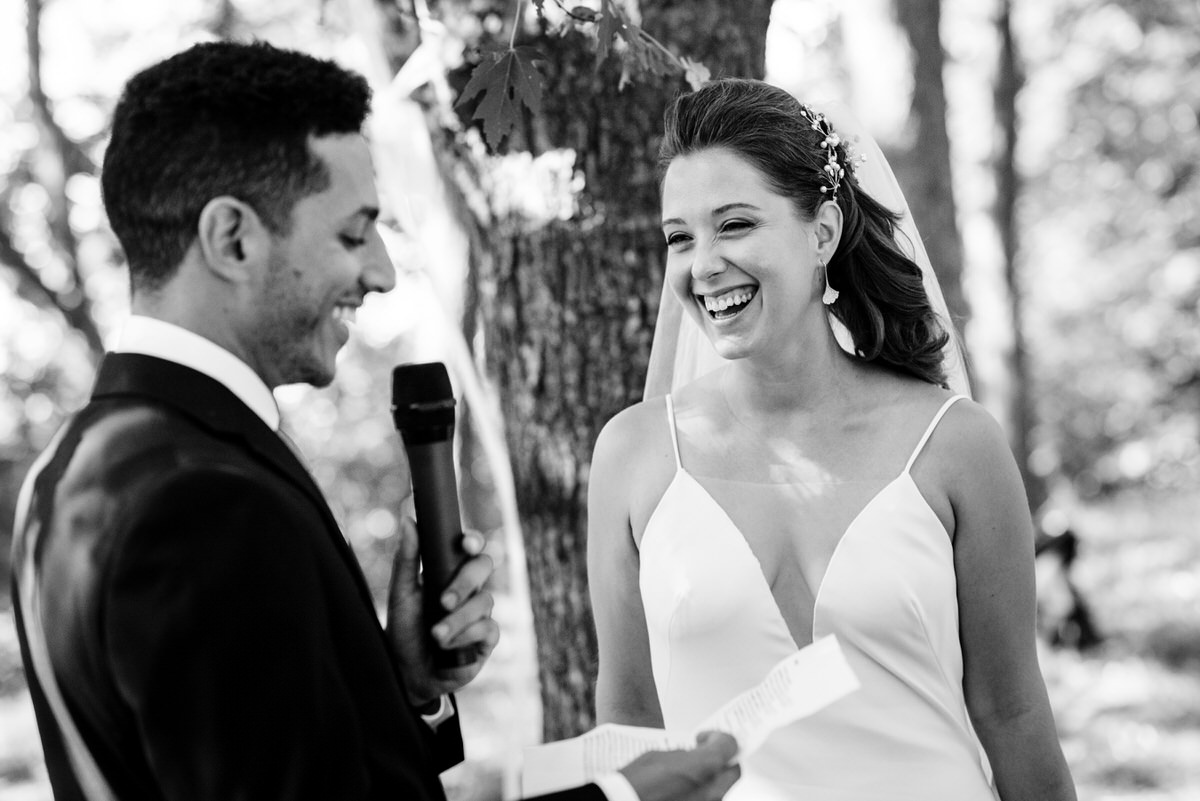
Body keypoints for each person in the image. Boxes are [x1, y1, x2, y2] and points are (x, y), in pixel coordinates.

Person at [10, 41, 739, 801]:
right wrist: (622, 797)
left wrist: (398, 684)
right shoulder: (204, 503)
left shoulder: (68, 472)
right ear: (233, 238)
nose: (383, 273)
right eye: (354, 233)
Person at [588, 78, 1078, 800]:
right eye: (679, 238)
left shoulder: (955, 446)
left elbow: (1012, 712)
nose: (702, 265)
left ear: (822, 231)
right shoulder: (634, 454)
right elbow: (628, 718)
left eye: (734, 225)